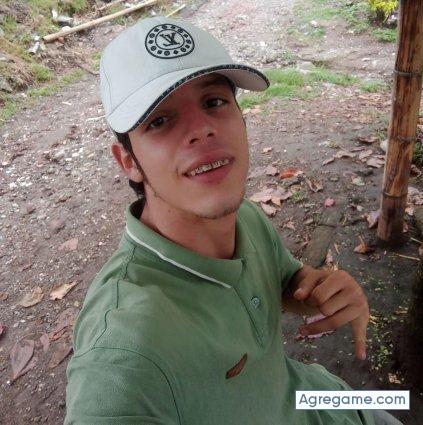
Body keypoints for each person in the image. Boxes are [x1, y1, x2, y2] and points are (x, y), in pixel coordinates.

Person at [65, 17, 402, 425]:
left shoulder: (247, 218)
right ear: (128, 162)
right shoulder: (124, 350)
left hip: (326, 399)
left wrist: (316, 289)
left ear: (242, 118)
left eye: (213, 102)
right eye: (159, 121)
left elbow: (283, 281)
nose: (201, 129)